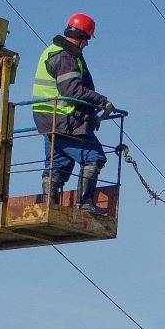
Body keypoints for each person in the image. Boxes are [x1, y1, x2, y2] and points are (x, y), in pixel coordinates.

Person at [31, 12, 113, 213]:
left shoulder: (52, 51)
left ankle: (49, 206)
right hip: (63, 118)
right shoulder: (65, 57)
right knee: (94, 157)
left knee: (59, 163)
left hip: (48, 119)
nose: (87, 45)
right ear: (81, 37)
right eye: (86, 40)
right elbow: (72, 90)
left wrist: (91, 114)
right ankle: (85, 204)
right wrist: (101, 101)